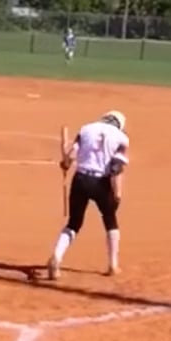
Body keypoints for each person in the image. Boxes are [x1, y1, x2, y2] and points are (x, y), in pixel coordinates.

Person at [45, 111, 130, 279]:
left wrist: (65, 164)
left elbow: (71, 155)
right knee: (110, 220)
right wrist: (117, 193)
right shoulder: (121, 138)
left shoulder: (86, 129)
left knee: (73, 224)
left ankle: (57, 256)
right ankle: (113, 265)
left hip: (80, 180)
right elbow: (116, 167)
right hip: (101, 182)